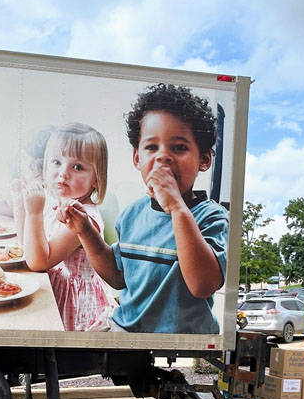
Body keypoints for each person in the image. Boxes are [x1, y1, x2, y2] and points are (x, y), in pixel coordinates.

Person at [61, 83, 227, 333]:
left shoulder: (211, 216)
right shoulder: (132, 214)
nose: (163, 157)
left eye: (179, 147)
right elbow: (118, 276)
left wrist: (177, 208)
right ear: (137, 158)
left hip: (180, 340)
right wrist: (85, 231)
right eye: (152, 147)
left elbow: (202, 285)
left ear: (204, 160)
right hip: (127, 330)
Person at [12, 123, 114, 331]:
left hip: (76, 306)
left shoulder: (81, 217)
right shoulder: (56, 203)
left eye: (77, 167)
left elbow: (39, 262)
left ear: (97, 179)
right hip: (55, 290)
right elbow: (27, 246)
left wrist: (34, 213)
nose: (63, 173)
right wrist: (20, 203)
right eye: (56, 162)